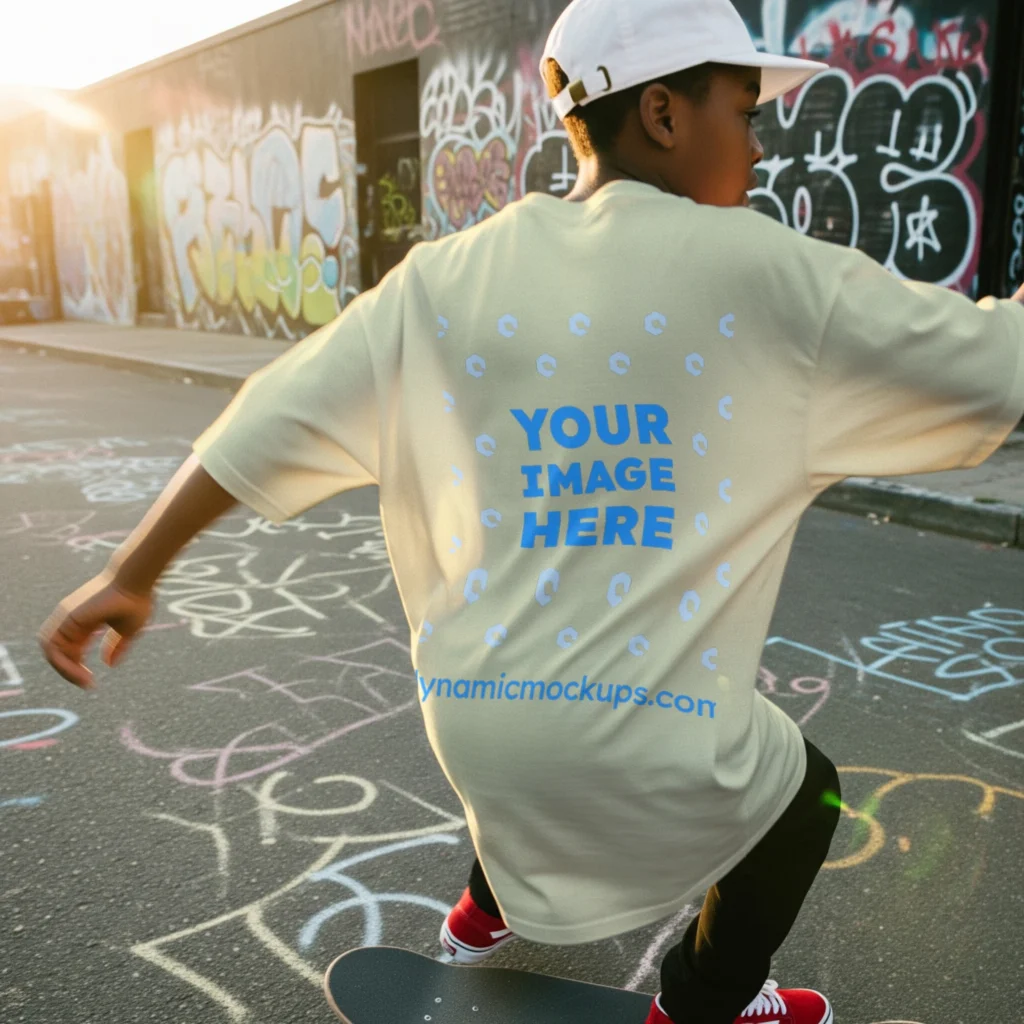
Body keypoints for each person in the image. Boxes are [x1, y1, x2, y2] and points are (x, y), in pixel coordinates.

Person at [38, 0, 1024, 1021]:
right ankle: (700, 1003)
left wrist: (133, 572)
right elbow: (995, 361)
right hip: (648, 738)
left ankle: (478, 910)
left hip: (471, 726)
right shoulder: (769, 271)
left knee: (534, 678)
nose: (762, 145)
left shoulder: (441, 280)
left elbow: (260, 423)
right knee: (804, 795)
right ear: (662, 113)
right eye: (744, 108)